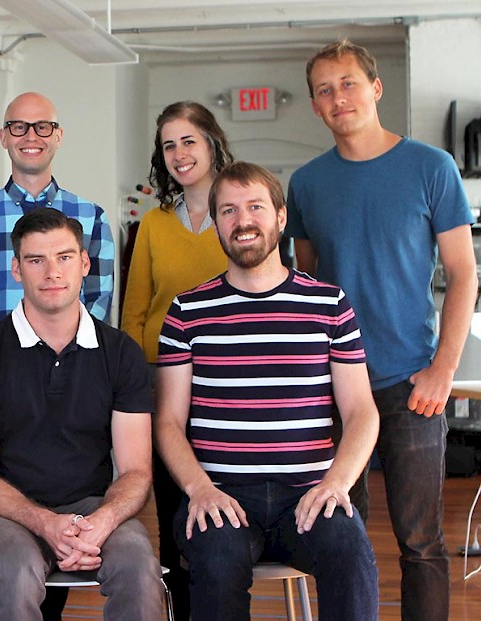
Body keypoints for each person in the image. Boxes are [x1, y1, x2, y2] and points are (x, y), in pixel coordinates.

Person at [288, 39, 478, 620]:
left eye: (348, 83)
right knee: (341, 539)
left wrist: (442, 369)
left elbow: (465, 272)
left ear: (375, 88)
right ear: (316, 107)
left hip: (410, 383)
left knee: (421, 542)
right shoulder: (306, 183)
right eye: (324, 89)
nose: (337, 96)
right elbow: (308, 285)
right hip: (334, 386)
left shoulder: (431, 167)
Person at [155, 162, 380, 620]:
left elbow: (361, 412)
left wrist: (337, 485)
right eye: (229, 211)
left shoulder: (329, 305)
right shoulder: (187, 312)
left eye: (256, 206)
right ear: (216, 224)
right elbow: (169, 422)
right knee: (215, 561)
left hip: (310, 494)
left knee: (350, 549)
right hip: (222, 496)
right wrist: (199, 489)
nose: (243, 221)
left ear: (280, 217)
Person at [0, 208, 166, 620]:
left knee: (139, 566)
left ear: (84, 263)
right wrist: (45, 522)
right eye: (36, 260)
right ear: (16, 269)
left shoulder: (121, 353)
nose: (52, 272)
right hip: (6, 513)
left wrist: (102, 521)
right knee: (15, 571)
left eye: (65, 257)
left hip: (94, 507)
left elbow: (137, 471)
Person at [120, 100, 233, 620]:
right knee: (173, 515)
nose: (179, 153)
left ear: (212, 142)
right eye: (169, 145)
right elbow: (135, 313)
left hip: (233, 389)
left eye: (189, 140)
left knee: (225, 509)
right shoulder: (153, 226)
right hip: (165, 387)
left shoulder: (240, 217)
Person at [0, 92, 116, 344]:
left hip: (75, 370)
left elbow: (98, 303)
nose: (31, 136)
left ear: (58, 137)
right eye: (19, 127)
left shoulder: (92, 217)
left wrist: (68, 358)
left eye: (43, 127)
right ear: (3, 137)